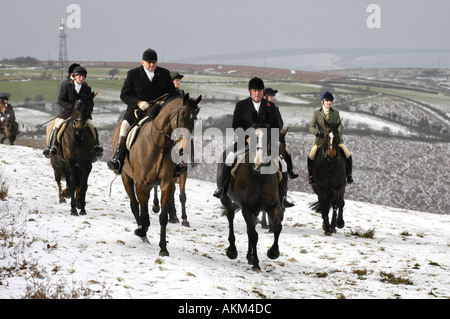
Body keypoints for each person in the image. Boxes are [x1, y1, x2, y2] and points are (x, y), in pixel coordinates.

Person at [107, 48, 177, 174]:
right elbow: (124, 95)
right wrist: (139, 103)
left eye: (154, 62)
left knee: (174, 129)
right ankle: (118, 158)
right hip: (136, 112)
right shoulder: (133, 74)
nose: (152, 65)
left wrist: (164, 102)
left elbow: (173, 94)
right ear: (142, 62)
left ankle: (176, 163)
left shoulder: (164, 73)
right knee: (124, 127)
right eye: (149, 62)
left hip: (158, 112)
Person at [213, 77, 285, 199]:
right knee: (230, 158)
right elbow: (236, 125)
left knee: (283, 164)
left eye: (259, 91)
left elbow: (276, 126)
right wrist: (246, 137)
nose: (257, 93)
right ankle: (222, 189)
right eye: (254, 90)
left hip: (265, 144)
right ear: (250, 91)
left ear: (263, 92)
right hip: (245, 142)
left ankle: (283, 196)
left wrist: (267, 139)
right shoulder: (241, 105)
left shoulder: (270, 106)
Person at [43, 66, 104, 159]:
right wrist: (73, 108)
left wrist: (85, 111)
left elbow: (90, 102)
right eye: (79, 76)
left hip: (81, 115)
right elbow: (60, 100)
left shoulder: (87, 88)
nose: (81, 78)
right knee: (57, 125)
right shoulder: (67, 86)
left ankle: (96, 147)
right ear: (74, 76)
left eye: (83, 76)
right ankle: (52, 147)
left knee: (92, 125)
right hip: (67, 113)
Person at [307, 91, 353, 185]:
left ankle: (349, 175)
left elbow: (340, 126)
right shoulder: (316, 113)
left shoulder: (335, 113)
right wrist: (318, 133)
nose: (329, 102)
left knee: (348, 154)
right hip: (321, 139)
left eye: (331, 101)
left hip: (335, 139)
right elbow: (311, 127)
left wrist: (337, 135)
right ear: (322, 101)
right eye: (327, 100)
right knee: (311, 155)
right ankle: (311, 176)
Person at [263, 87, 299, 180]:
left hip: (274, 135)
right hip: (262, 136)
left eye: (273, 96)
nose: (273, 98)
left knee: (287, 151)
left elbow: (280, 123)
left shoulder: (275, 108)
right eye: (270, 96)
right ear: (264, 97)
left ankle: (290, 171)